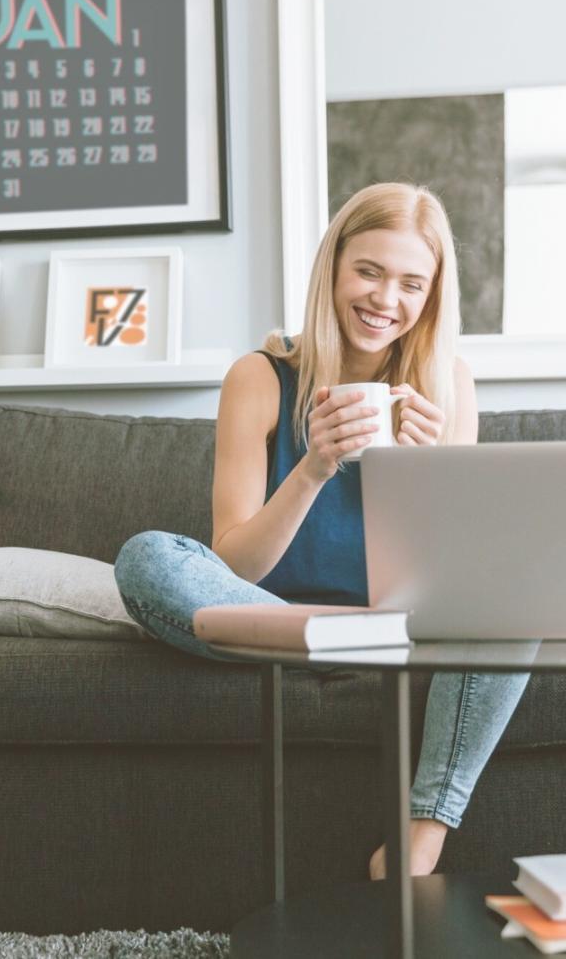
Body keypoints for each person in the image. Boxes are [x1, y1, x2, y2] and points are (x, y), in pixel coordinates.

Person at [113, 182, 530, 880]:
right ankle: (342, 637)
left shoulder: (448, 384)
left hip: (395, 622)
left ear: (431, 296)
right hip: (273, 615)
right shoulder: (260, 378)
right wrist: (314, 466)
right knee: (147, 558)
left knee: (518, 585)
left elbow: (458, 582)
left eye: (410, 284)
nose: (385, 300)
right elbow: (234, 566)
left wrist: (431, 475)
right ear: (333, 268)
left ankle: (418, 840)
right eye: (368, 271)